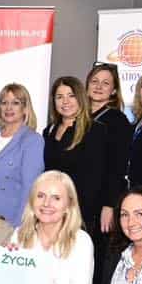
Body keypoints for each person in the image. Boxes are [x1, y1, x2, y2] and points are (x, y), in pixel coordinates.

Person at [44, 77, 109, 234]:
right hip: (51, 209)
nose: (65, 101)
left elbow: (98, 176)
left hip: (81, 212)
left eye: (71, 95)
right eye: (59, 97)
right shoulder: (49, 131)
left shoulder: (95, 130)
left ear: (80, 97)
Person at [0, 83, 44, 224]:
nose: (8, 107)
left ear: (25, 108)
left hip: (9, 219)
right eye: (4, 103)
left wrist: (17, 227)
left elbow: (30, 189)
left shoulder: (32, 140)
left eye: (15, 103)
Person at [87, 63, 132, 235]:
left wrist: (109, 204)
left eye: (105, 83)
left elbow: (117, 166)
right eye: (94, 81)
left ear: (113, 90)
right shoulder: (76, 117)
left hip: (101, 202)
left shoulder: (117, 121)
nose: (98, 86)